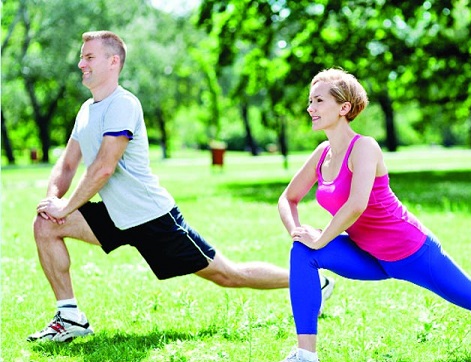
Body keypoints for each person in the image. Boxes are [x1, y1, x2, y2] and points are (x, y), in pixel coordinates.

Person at [264, 68, 471, 362]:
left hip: (410, 251)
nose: (311, 108)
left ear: (344, 107)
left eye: (319, 101)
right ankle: (306, 357)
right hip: (368, 255)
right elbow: (288, 198)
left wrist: (321, 238)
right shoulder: (322, 154)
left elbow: (357, 204)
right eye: (310, 101)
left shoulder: (365, 147)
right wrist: (299, 233)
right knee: (302, 252)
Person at [29, 31, 334, 343]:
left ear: (113, 61)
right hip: (115, 214)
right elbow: (67, 164)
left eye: (89, 57)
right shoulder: (86, 110)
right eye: (82, 57)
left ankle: (313, 282)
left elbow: (104, 167)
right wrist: (52, 202)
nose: (81, 64)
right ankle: (70, 317)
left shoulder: (122, 104)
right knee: (45, 225)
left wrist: (66, 207)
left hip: (151, 217)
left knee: (228, 275)